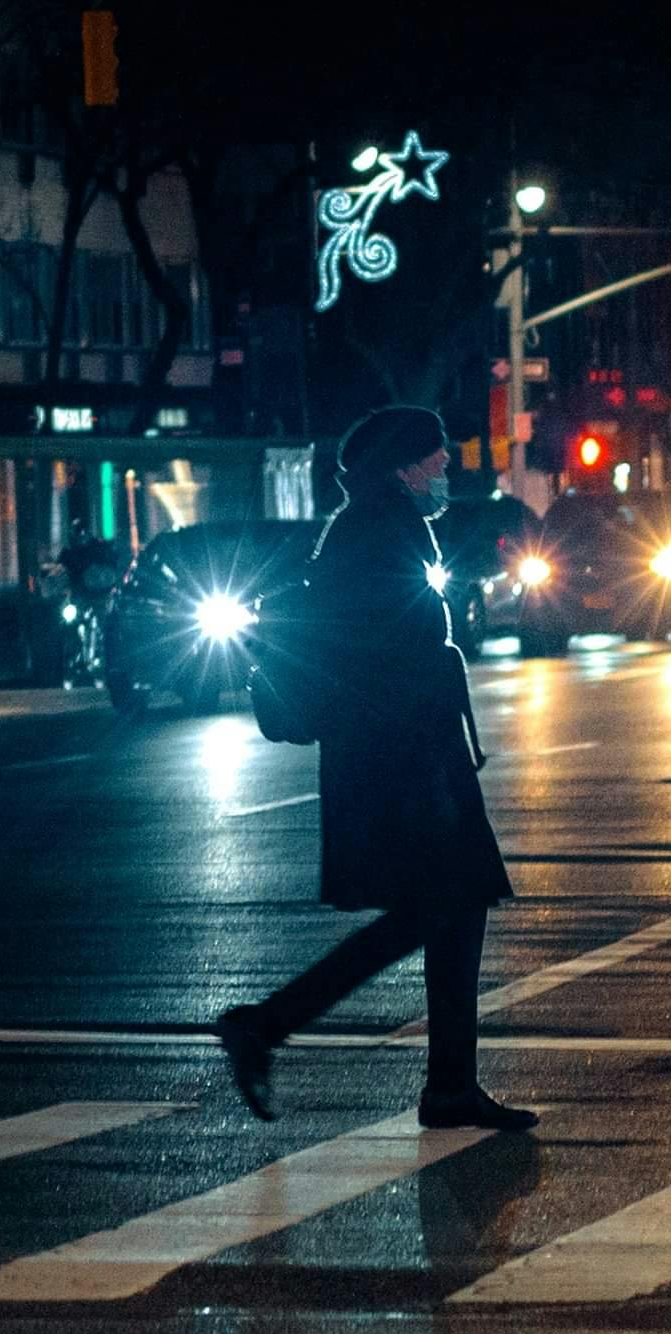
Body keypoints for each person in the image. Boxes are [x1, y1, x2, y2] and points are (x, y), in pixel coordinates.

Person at [214, 406, 538, 1130]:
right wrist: (428, 762)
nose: (446, 469)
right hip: (400, 763)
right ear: (403, 464)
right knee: (433, 908)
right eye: (437, 458)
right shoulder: (375, 532)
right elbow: (382, 659)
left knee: (454, 909)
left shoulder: (383, 525)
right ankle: (264, 1025)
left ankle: (449, 1084)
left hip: (411, 756)